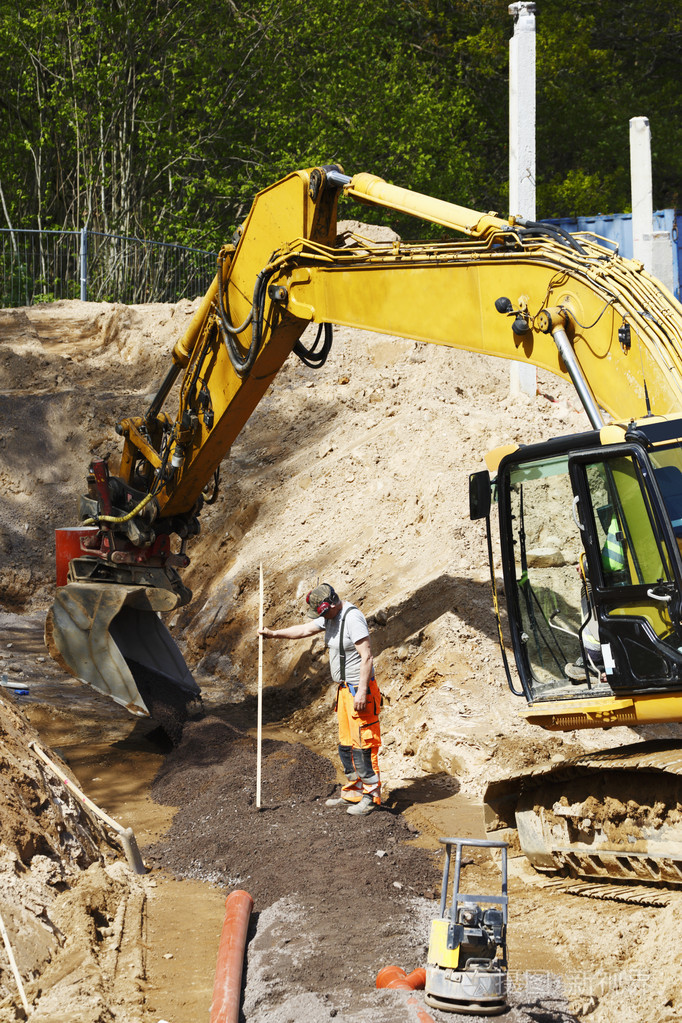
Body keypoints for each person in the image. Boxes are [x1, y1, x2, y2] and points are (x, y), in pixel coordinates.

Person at [259, 582, 381, 816]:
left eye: (322, 612)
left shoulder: (353, 618)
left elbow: (367, 657)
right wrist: (274, 634)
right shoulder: (329, 618)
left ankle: (371, 795)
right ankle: (353, 792)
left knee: (364, 745)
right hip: (344, 691)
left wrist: (363, 691)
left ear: (332, 604)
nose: (320, 618)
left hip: (360, 690)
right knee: (347, 744)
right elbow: (304, 630)